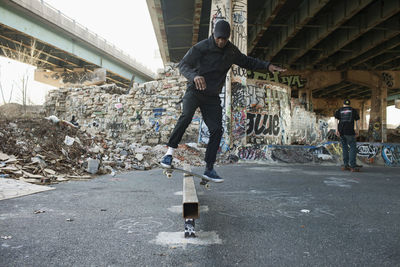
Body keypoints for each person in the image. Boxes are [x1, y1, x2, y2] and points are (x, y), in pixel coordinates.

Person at [160, 20, 286, 182]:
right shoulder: (201, 47)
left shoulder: (231, 51)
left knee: (217, 130)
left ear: (228, 38)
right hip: (195, 91)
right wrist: (194, 76)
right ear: (214, 34)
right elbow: (183, 65)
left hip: (211, 96)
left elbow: (248, 62)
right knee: (186, 116)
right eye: (218, 38)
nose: (220, 41)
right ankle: (168, 154)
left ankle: (209, 168)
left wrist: (267, 66)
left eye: (224, 39)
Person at [334, 99, 361, 172]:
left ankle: (346, 165)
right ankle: (353, 166)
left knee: (345, 148)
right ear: (349, 104)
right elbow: (357, 120)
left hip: (341, 132)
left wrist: (336, 130)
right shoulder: (353, 110)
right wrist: (357, 130)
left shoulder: (339, 110)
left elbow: (336, 119)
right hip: (350, 132)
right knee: (352, 147)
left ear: (343, 104)